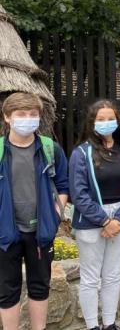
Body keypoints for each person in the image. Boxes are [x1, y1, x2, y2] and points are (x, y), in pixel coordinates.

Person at [70, 100, 120, 330]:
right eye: (100, 119)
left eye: (110, 118)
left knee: (112, 274)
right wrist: (104, 220)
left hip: (119, 218)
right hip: (92, 220)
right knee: (91, 278)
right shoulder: (81, 153)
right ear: (92, 123)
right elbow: (78, 194)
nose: (106, 123)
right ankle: (92, 326)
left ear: (117, 121)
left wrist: (118, 219)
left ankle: (110, 323)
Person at [0, 93, 69, 330]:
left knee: (40, 286)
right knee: (7, 290)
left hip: (40, 232)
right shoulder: (0, 150)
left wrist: (56, 216)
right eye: (21, 114)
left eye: (33, 114)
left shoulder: (50, 149)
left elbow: (63, 184)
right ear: (7, 118)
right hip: (5, 234)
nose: (27, 119)